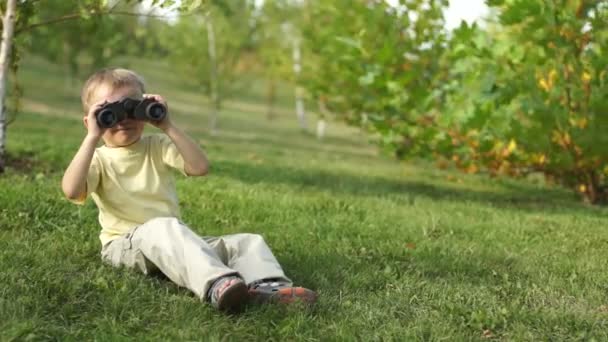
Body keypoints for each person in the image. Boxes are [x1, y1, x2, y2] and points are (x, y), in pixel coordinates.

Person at [61, 68, 317, 312]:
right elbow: (72, 191)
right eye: (109, 111)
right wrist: (91, 137)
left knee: (246, 242)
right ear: (90, 120)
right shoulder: (98, 159)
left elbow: (200, 167)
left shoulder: (157, 145)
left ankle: (269, 289)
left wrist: (167, 125)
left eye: (130, 108)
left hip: (172, 240)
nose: (122, 119)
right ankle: (217, 284)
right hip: (125, 247)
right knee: (163, 227)